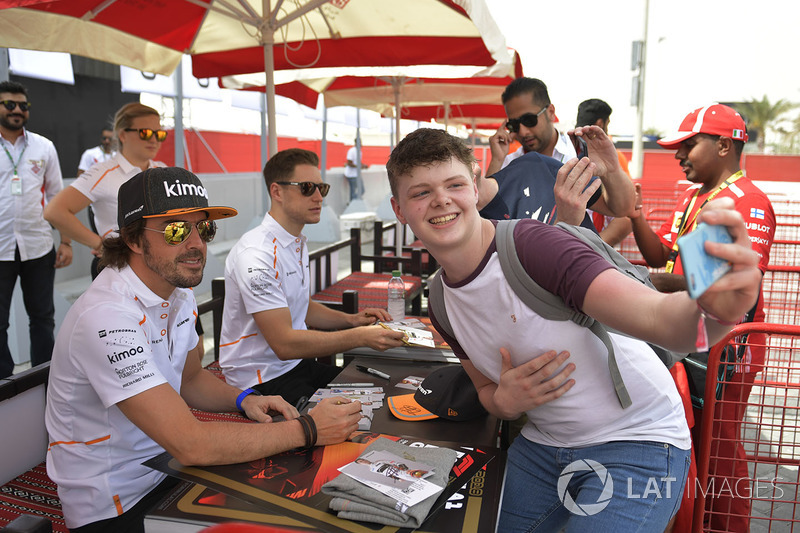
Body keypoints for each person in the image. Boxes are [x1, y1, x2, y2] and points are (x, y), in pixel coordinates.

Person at [386, 128, 762, 532]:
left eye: (454, 184)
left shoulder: (535, 247)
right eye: (420, 192)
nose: (441, 200)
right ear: (399, 209)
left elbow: (661, 321)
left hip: (639, 442)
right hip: (544, 446)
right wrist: (506, 401)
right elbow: (486, 393)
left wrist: (712, 310)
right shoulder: (440, 298)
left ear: (476, 188)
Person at [44, 166, 363, 532]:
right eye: (176, 229)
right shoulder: (106, 317)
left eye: (204, 228)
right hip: (117, 501)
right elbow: (191, 444)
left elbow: (190, 378)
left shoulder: (177, 291)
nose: (196, 243)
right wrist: (308, 429)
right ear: (133, 239)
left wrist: (243, 399)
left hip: (170, 469)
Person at [628, 103, 775, 532]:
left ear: (725, 146)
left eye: (689, 145)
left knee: (720, 449)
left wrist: (645, 281)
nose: (679, 155)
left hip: (728, 349)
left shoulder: (747, 201)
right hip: (687, 338)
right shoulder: (694, 196)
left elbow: (721, 287)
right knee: (690, 445)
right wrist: (636, 215)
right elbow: (665, 258)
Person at [219, 148, 404, 408]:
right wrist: (361, 336)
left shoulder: (295, 241)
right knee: (367, 412)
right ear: (277, 192)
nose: (319, 197)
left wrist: (351, 320)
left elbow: (301, 307)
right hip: (260, 380)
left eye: (322, 188)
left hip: (296, 366)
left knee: (388, 389)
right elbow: (283, 342)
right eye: (307, 188)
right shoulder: (256, 254)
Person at [44, 102, 167, 280]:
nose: (154, 139)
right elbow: (54, 211)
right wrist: (99, 244)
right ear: (123, 135)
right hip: (118, 269)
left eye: (160, 134)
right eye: (145, 133)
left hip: (157, 267)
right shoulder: (103, 172)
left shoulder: (162, 170)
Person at [0, 80, 72, 379]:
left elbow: (58, 196)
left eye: (23, 106)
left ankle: (43, 377)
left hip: (38, 245)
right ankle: (4, 384)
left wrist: (65, 240)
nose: (17, 110)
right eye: (10, 104)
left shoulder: (44, 146)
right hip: (1, 247)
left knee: (42, 317)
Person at [477, 124, 635, 229]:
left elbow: (622, 208)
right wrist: (565, 223)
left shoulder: (535, 166)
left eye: (529, 120)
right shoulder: (469, 228)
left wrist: (611, 170)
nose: (524, 131)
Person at [486, 77, 577, 177]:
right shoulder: (508, 164)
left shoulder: (577, 151)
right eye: (514, 124)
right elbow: (487, 192)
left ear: (550, 112)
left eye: (529, 120)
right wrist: (497, 160)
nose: (522, 132)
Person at [576, 98, 634, 246]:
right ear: (601, 123)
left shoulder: (563, 149)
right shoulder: (613, 157)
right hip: (592, 249)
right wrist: (593, 250)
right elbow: (626, 215)